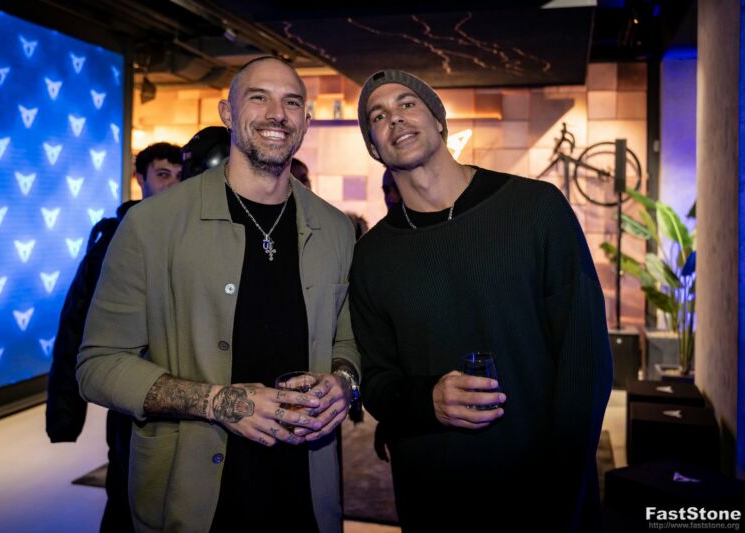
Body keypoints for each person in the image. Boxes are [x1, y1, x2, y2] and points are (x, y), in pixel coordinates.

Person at [77, 56, 360, 533]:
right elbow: (97, 365)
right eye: (259, 97)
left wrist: (344, 382)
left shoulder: (335, 228)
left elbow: (348, 343)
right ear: (227, 113)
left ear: (306, 121)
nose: (278, 114)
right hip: (192, 500)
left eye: (292, 102)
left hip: (306, 494)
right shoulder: (152, 225)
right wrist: (217, 402)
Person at [349, 69, 613, 532]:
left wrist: (565, 483)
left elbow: (585, 357)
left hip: (541, 492)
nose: (395, 118)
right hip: (434, 497)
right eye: (378, 116)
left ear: (439, 121)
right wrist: (427, 398)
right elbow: (374, 379)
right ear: (374, 145)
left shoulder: (535, 208)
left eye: (407, 104)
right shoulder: (371, 256)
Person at [46, 142, 183, 532]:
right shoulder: (115, 238)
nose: (173, 185)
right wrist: (65, 415)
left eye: (180, 176)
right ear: (140, 178)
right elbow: (76, 323)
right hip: (129, 395)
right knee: (127, 493)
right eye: (162, 175)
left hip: (187, 396)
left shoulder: (194, 234)